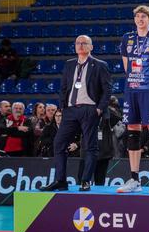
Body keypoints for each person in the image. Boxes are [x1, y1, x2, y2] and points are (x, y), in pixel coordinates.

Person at [39, 35, 112, 191]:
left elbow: (107, 90)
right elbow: (64, 87)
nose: (80, 45)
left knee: (89, 147)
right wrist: (63, 107)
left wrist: (99, 108)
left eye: (84, 43)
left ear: (91, 47)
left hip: (89, 109)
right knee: (58, 143)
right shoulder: (69, 64)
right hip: (70, 110)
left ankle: (85, 181)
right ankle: (61, 181)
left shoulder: (100, 65)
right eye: (78, 43)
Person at [117, 5, 149, 193]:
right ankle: (134, 179)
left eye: (144, 17)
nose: (140, 19)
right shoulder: (127, 39)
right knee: (132, 130)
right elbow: (126, 67)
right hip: (131, 91)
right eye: (137, 16)